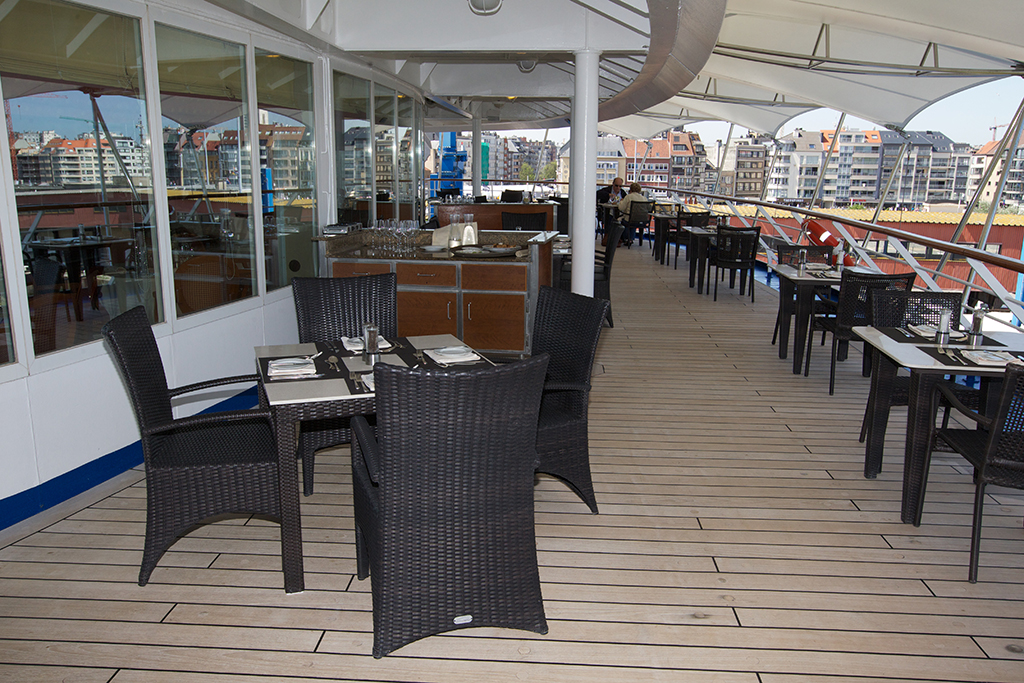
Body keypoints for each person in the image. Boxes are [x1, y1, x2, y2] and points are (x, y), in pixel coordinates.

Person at [616, 182, 646, 246]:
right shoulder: (644, 198)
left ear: (631, 189)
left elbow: (621, 208)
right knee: (633, 219)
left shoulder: (628, 197)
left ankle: (626, 238)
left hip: (629, 220)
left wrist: (621, 201)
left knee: (623, 220)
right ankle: (631, 239)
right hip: (641, 221)